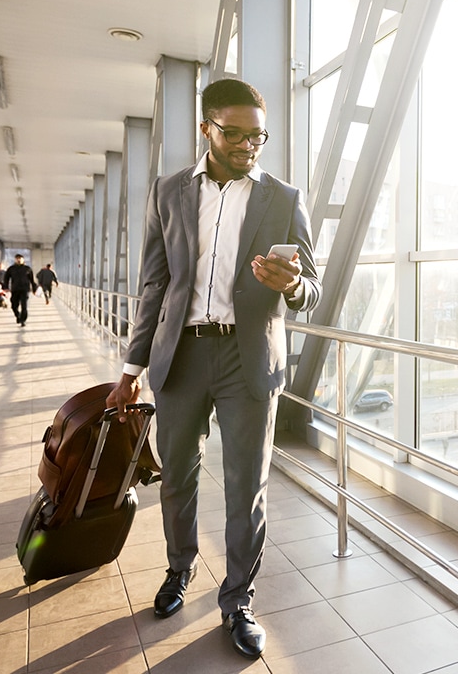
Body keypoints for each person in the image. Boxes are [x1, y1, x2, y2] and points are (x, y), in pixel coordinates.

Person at [106, 78, 322, 659]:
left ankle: (238, 601)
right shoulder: (169, 191)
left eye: (259, 135)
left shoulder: (283, 197)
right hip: (180, 355)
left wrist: (295, 284)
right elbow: (155, 283)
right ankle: (179, 571)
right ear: (207, 127)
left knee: (246, 487)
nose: (249, 145)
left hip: (247, 355)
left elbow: (314, 286)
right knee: (176, 475)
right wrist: (130, 366)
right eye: (235, 133)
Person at [4, 254, 36, 326]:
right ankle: (17, 315)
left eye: (20, 258)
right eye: (17, 258)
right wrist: (5, 287)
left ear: (23, 259)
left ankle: (23, 320)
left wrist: (34, 289)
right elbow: (6, 278)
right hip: (15, 289)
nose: (19, 260)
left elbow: (32, 280)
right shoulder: (11, 269)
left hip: (25, 290)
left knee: (24, 306)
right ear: (15, 259)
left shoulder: (27, 269)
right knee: (14, 305)